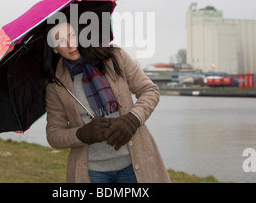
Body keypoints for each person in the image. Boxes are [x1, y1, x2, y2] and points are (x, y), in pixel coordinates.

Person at [43, 21, 170, 183]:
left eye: (72, 36)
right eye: (61, 41)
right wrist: (82, 134)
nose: (70, 44)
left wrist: (133, 119)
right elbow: (54, 134)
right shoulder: (56, 84)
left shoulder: (114, 56)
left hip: (134, 163)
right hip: (92, 172)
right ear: (54, 48)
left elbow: (150, 91)